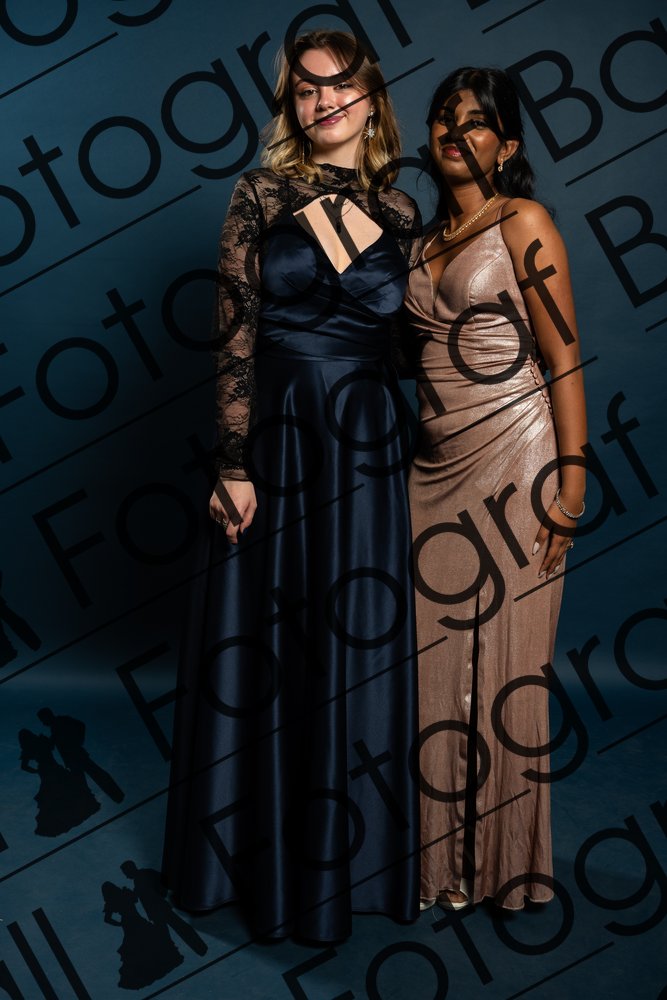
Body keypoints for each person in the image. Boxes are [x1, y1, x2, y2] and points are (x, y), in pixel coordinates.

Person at [162, 30, 422, 942]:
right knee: (269, 641)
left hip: (365, 443)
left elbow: (409, 345)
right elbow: (233, 328)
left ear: (370, 100)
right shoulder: (260, 192)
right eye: (306, 90)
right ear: (291, 106)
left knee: (353, 637)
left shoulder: (400, 208)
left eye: (340, 86)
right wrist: (233, 464)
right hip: (277, 435)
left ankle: (348, 865)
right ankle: (254, 865)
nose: (323, 102)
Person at [404, 67, 586, 911]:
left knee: (508, 664)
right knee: (435, 667)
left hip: (518, 459)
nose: (455, 130)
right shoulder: (417, 241)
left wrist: (570, 484)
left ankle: (503, 868)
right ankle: (440, 868)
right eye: (444, 117)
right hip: (431, 472)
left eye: (476, 121)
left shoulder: (523, 221)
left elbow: (562, 356)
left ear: (506, 145)